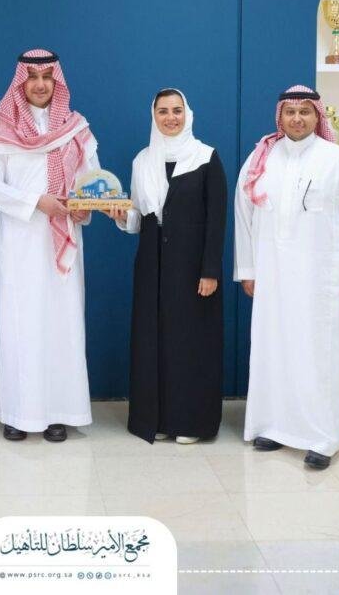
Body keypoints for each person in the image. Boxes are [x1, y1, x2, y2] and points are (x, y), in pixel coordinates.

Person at [234, 85, 339, 469]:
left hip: (321, 278)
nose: (297, 118)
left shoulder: (337, 159)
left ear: (317, 116)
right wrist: (247, 269)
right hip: (273, 275)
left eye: (305, 111)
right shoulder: (261, 158)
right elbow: (243, 216)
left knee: (319, 355)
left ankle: (323, 438)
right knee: (273, 348)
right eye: (290, 111)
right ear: (279, 116)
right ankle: (272, 426)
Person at [0, 49, 99, 442]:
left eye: (47, 77)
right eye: (33, 77)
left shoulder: (76, 128)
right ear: (21, 82)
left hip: (63, 243)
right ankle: (18, 414)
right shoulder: (2, 129)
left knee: (62, 325)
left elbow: (92, 181)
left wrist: (85, 207)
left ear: (57, 82)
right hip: (19, 245)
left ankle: (58, 412)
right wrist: (36, 202)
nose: (41, 84)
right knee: (20, 325)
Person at [106, 88, 226, 444]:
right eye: (163, 111)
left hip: (192, 263)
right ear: (154, 116)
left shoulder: (206, 157)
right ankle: (154, 419)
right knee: (153, 338)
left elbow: (217, 219)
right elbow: (139, 217)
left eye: (177, 110)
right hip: (151, 261)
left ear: (187, 114)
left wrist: (210, 270)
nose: (170, 118)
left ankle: (189, 423)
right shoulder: (143, 160)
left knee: (189, 340)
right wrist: (120, 215)